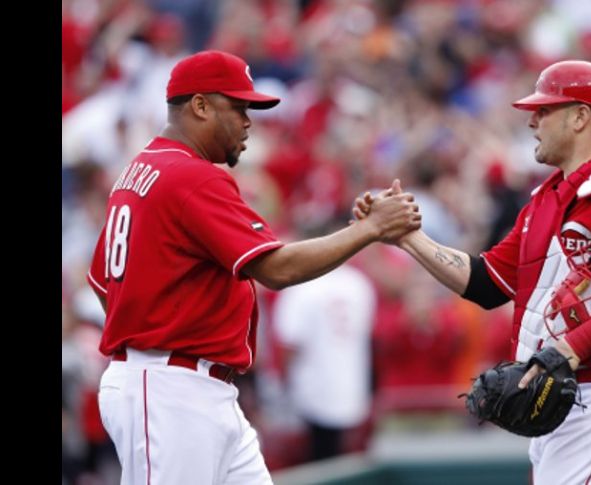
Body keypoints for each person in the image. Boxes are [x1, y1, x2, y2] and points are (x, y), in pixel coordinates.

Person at [86, 50, 421, 485]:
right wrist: (370, 230)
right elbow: (276, 269)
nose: (248, 121)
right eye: (238, 106)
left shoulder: (141, 169)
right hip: (170, 388)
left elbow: (104, 285)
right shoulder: (191, 175)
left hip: (189, 385)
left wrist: (155, 316)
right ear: (200, 105)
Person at [355, 60, 591, 484]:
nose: (532, 120)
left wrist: (568, 349)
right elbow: (486, 282)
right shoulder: (544, 202)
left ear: (581, 116)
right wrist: (407, 238)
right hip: (564, 399)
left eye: (545, 110)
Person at [273, 258, 376, 462]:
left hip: (311, 390)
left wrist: (283, 383)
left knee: (316, 462)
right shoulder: (358, 282)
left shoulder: (301, 284)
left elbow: (290, 344)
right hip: (352, 387)